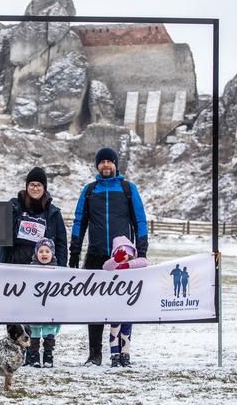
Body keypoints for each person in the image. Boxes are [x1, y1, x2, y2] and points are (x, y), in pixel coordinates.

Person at [69, 147, 148, 366]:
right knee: (93, 307)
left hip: (122, 258)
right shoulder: (89, 190)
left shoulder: (127, 189)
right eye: (101, 162)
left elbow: (140, 220)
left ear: (116, 165)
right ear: (97, 166)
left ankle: (122, 353)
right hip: (94, 256)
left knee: (122, 305)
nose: (105, 165)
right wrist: (74, 252)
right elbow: (79, 221)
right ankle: (95, 354)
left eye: (109, 162)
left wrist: (142, 248)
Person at [0, 167, 68, 267]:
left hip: (42, 269)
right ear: (27, 186)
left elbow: (61, 244)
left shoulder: (53, 213)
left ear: (44, 188)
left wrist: (61, 268)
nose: (35, 188)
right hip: (11, 265)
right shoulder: (14, 206)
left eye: (39, 185)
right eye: (32, 185)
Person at [102, 236, 148, 367]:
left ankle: (125, 354)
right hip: (115, 305)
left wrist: (127, 264)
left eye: (128, 252)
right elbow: (106, 266)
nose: (125, 255)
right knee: (115, 329)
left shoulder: (134, 266)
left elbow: (144, 262)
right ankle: (114, 355)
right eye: (122, 252)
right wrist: (117, 261)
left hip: (129, 305)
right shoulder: (113, 266)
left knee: (127, 330)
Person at [25, 238, 61, 368]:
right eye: (41, 251)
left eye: (47, 251)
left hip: (51, 308)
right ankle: (34, 356)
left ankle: (48, 356)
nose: (44, 254)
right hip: (34, 307)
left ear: (52, 253)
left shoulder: (59, 270)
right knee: (34, 331)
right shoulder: (30, 269)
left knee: (48, 331)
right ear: (36, 253)